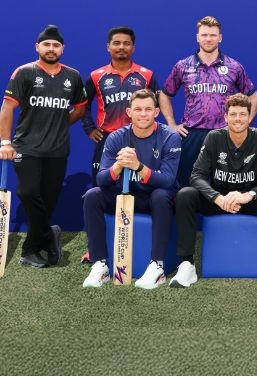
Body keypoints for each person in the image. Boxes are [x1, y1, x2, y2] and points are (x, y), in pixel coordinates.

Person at [169, 93, 257, 288]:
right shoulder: (214, 137)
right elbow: (196, 175)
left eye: (242, 114)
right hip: (220, 200)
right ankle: (187, 264)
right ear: (225, 117)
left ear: (249, 117)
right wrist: (216, 197)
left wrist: (248, 195)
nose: (238, 119)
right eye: (233, 114)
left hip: (249, 200)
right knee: (185, 194)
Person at [0, 25, 87, 269]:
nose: (51, 48)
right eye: (46, 44)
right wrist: (5, 142)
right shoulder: (25, 72)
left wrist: (59, 123)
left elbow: (80, 108)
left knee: (47, 202)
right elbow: (7, 108)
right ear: (37, 47)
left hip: (57, 150)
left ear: (63, 49)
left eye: (56, 45)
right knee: (28, 194)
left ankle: (30, 250)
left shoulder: (72, 76)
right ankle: (50, 236)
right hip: (26, 147)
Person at [81, 90, 180, 288]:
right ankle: (100, 265)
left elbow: (168, 180)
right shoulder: (116, 137)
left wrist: (138, 167)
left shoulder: (170, 137)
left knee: (161, 196)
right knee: (92, 196)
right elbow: (101, 179)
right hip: (126, 195)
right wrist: (118, 166)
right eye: (138, 109)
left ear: (156, 112)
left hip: (154, 197)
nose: (143, 114)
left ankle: (157, 266)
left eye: (148, 109)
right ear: (129, 112)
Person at [161, 16, 257, 189]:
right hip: (192, 134)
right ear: (197, 37)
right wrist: (171, 124)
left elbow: (254, 97)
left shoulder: (233, 66)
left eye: (213, 35)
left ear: (220, 37)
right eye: (204, 35)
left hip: (224, 134)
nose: (208, 39)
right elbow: (164, 94)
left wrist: (244, 123)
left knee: (225, 186)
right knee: (189, 186)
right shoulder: (183, 65)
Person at [82, 26, 159, 187]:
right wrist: (90, 128)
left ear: (133, 48)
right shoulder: (96, 76)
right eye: (116, 43)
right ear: (108, 46)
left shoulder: (147, 75)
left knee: (140, 185)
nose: (122, 47)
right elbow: (83, 104)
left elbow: (156, 106)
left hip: (140, 137)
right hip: (107, 138)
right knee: (102, 186)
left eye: (126, 43)